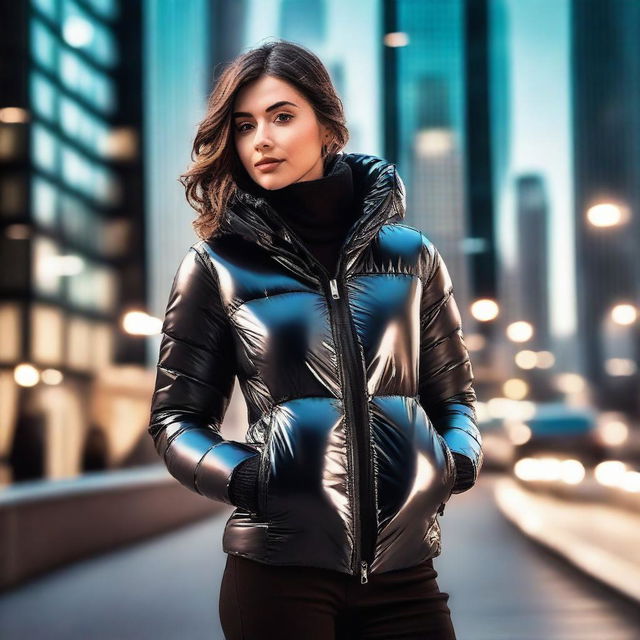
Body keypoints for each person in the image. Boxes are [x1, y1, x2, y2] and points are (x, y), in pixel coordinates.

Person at [148, 40, 483, 640]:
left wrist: (454, 458)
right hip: (279, 573)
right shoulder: (217, 264)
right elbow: (175, 418)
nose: (261, 140)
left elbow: (455, 398)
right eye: (244, 124)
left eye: (281, 116)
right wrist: (248, 477)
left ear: (328, 126)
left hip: (406, 571)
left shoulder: (413, 257)